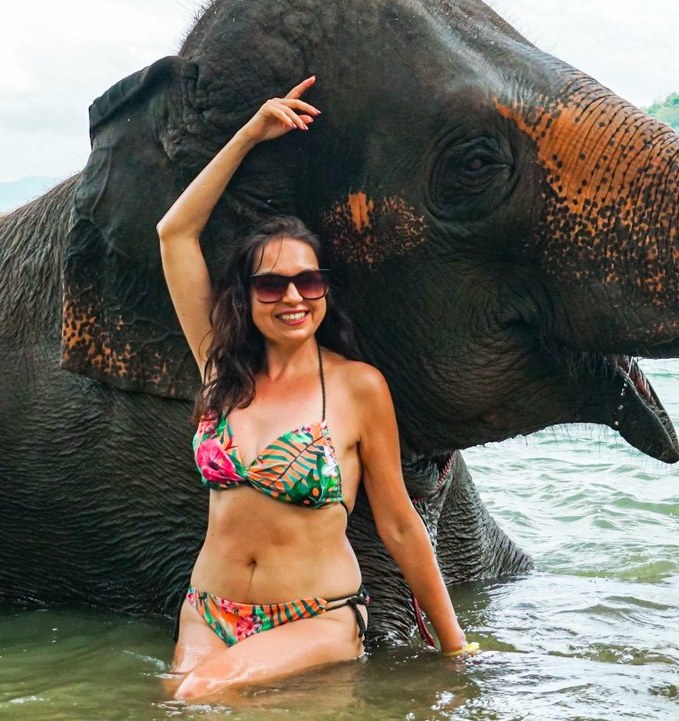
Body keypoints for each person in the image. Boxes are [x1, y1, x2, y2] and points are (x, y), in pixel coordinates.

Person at [157, 76, 476, 700]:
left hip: (317, 616)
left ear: (325, 288)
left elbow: (400, 524)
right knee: (175, 697)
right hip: (208, 610)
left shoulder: (359, 388)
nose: (293, 297)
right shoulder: (221, 369)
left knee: (198, 695)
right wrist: (250, 134)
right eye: (271, 285)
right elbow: (175, 233)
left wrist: (454, 648)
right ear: (246, 297)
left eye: (308, 281)